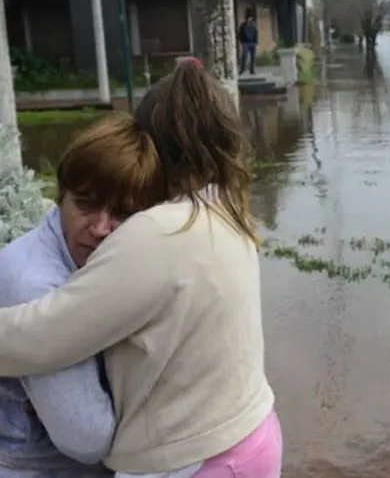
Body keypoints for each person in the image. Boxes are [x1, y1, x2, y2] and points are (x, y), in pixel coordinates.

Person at [0, 61, 282, 478]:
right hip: (254, 434)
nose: (102, 229)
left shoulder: (157, 231)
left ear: (151, 144)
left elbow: (45, 334)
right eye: (84, 203)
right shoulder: (227, 209)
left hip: (193, 461)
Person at [0, 112, 165, 477]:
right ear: (61, 196)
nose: (101, 228)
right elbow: (87, 439)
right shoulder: (36, 286)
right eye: (86, 204)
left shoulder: (97, 262)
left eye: (123, 213)